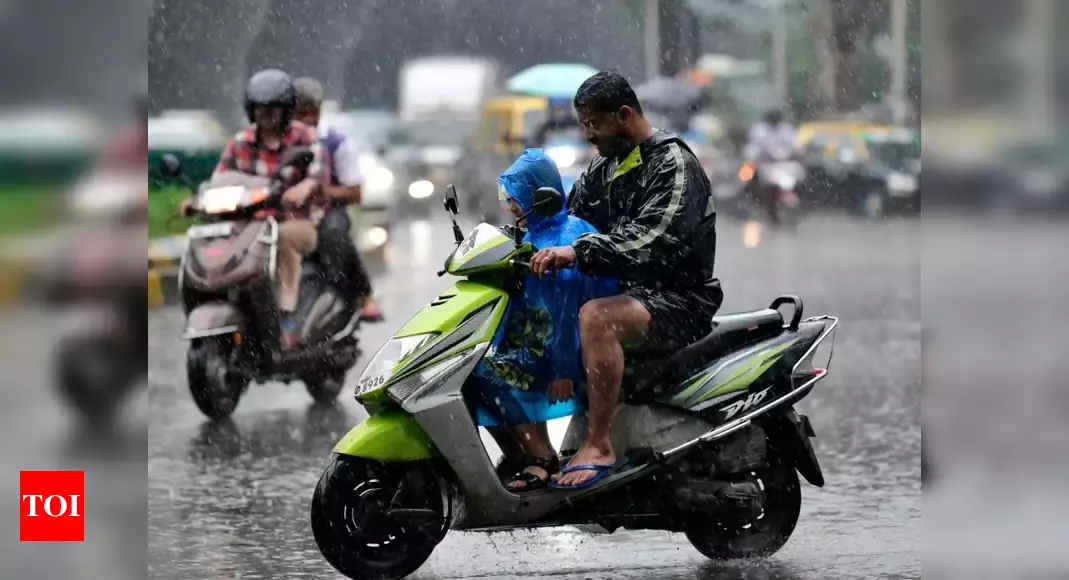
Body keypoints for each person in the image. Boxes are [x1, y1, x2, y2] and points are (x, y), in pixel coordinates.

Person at [529, 71, 722, 490]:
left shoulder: (673, 163)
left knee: (596, 318)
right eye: (583, 125)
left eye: (594, 124)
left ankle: (600, 444)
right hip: (632, 292)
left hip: (677, 299)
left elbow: (655, 237)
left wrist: (579, 252)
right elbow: (573, 219)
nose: (588, 135)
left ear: (624, 114)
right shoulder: (607, 165)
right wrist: (527, 238)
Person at [469, 149, 617, 491]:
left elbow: (566, 315)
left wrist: (563, 370)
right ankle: (523, 454)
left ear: (539, 196)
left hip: (567, 349)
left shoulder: (565, 239)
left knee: (481, 376)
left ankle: (541, 458)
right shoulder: (532, 235)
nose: (510, 206)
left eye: (516, 197)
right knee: (468, 373)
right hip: (539, 344)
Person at [179, 68, 326, 349]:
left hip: (296, 221)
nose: (266, 115)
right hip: (248, 222)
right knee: (215, 241)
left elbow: (317, 175)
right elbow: (219, 179)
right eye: (260, 109)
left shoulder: (305, 138)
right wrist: (197, 200)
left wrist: (304, 188)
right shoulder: (239, 142)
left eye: (273, 109)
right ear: (251, 110)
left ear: (287, 110)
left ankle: (286, 316)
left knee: (282, 239)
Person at [292, 77, 384, 321]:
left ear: (318, 112)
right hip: (291, 210)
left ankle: (361, 295)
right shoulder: (281, 142)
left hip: (328, 209)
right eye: (294, 115)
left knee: (334, 234)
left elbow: (355, 192)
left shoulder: (336, 144)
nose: (300, 122)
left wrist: (324, 192)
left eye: (305, 114)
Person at [743, 109, 799, 225]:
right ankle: (753, 203)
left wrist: (789, 153)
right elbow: (752, 149)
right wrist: (757, 155)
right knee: (749, 180)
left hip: (784, 164)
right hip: (764, 165)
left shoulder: (786, 130)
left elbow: (794, 146)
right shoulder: (759, 131)